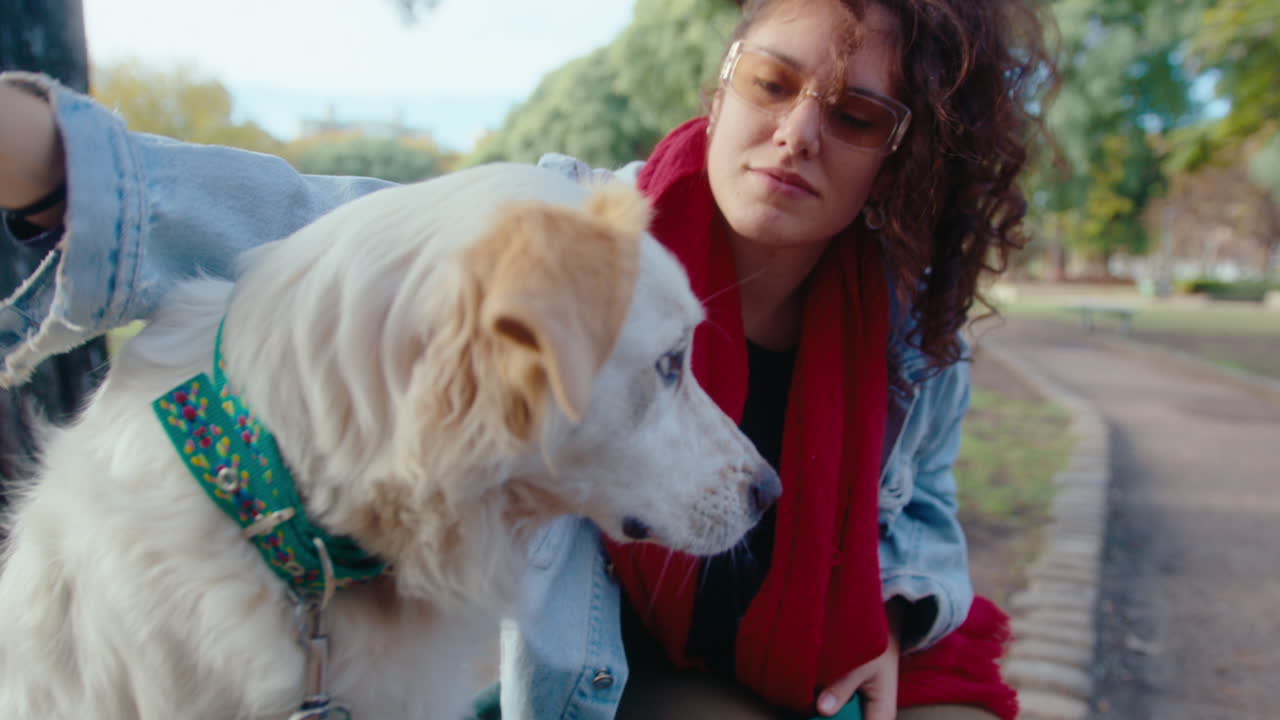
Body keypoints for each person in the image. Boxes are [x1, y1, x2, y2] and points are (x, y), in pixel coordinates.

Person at [0, 0, 1054, 717]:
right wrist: (44, 157)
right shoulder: (571, 230)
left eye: (855, 113)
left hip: (821, 653)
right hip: (610, 675)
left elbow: (915, 510)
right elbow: (342, 246)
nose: (793, 133)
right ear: (725, 84)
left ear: (905, 154)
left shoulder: (915, 337)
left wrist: (890, 609)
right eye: (771, 82)